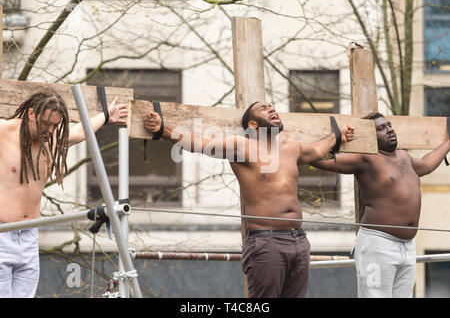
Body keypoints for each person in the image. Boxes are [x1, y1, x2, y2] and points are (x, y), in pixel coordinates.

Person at [144, 101, 355, 297]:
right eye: (264, 109)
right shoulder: (243, 147)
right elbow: (200, 143)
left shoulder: (291, 147)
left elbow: (318, 150)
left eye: (273, 107)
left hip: (299, 241)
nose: (272, 109)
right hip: (267, 242)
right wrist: (163, 129)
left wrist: (337, 135)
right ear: (253, 124)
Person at [0, 88, 127, 298]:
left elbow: (80, 132)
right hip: (2, 233)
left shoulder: (50, 139)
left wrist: (105, 116)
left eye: (54, 125)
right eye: (45, 123)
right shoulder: (3, 132)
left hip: (29, 236)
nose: (49, 130)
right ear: (31, 114)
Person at [310, 112, 450, 298]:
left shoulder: (404, 157)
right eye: (381, 128)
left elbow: (426, 164)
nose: (389, 129)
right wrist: (334, 139)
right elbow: (319, 160)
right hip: (378, 244)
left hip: (407, 247)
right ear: (370, 136)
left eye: (389, 125)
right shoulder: (366, 159)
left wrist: (448, 142)